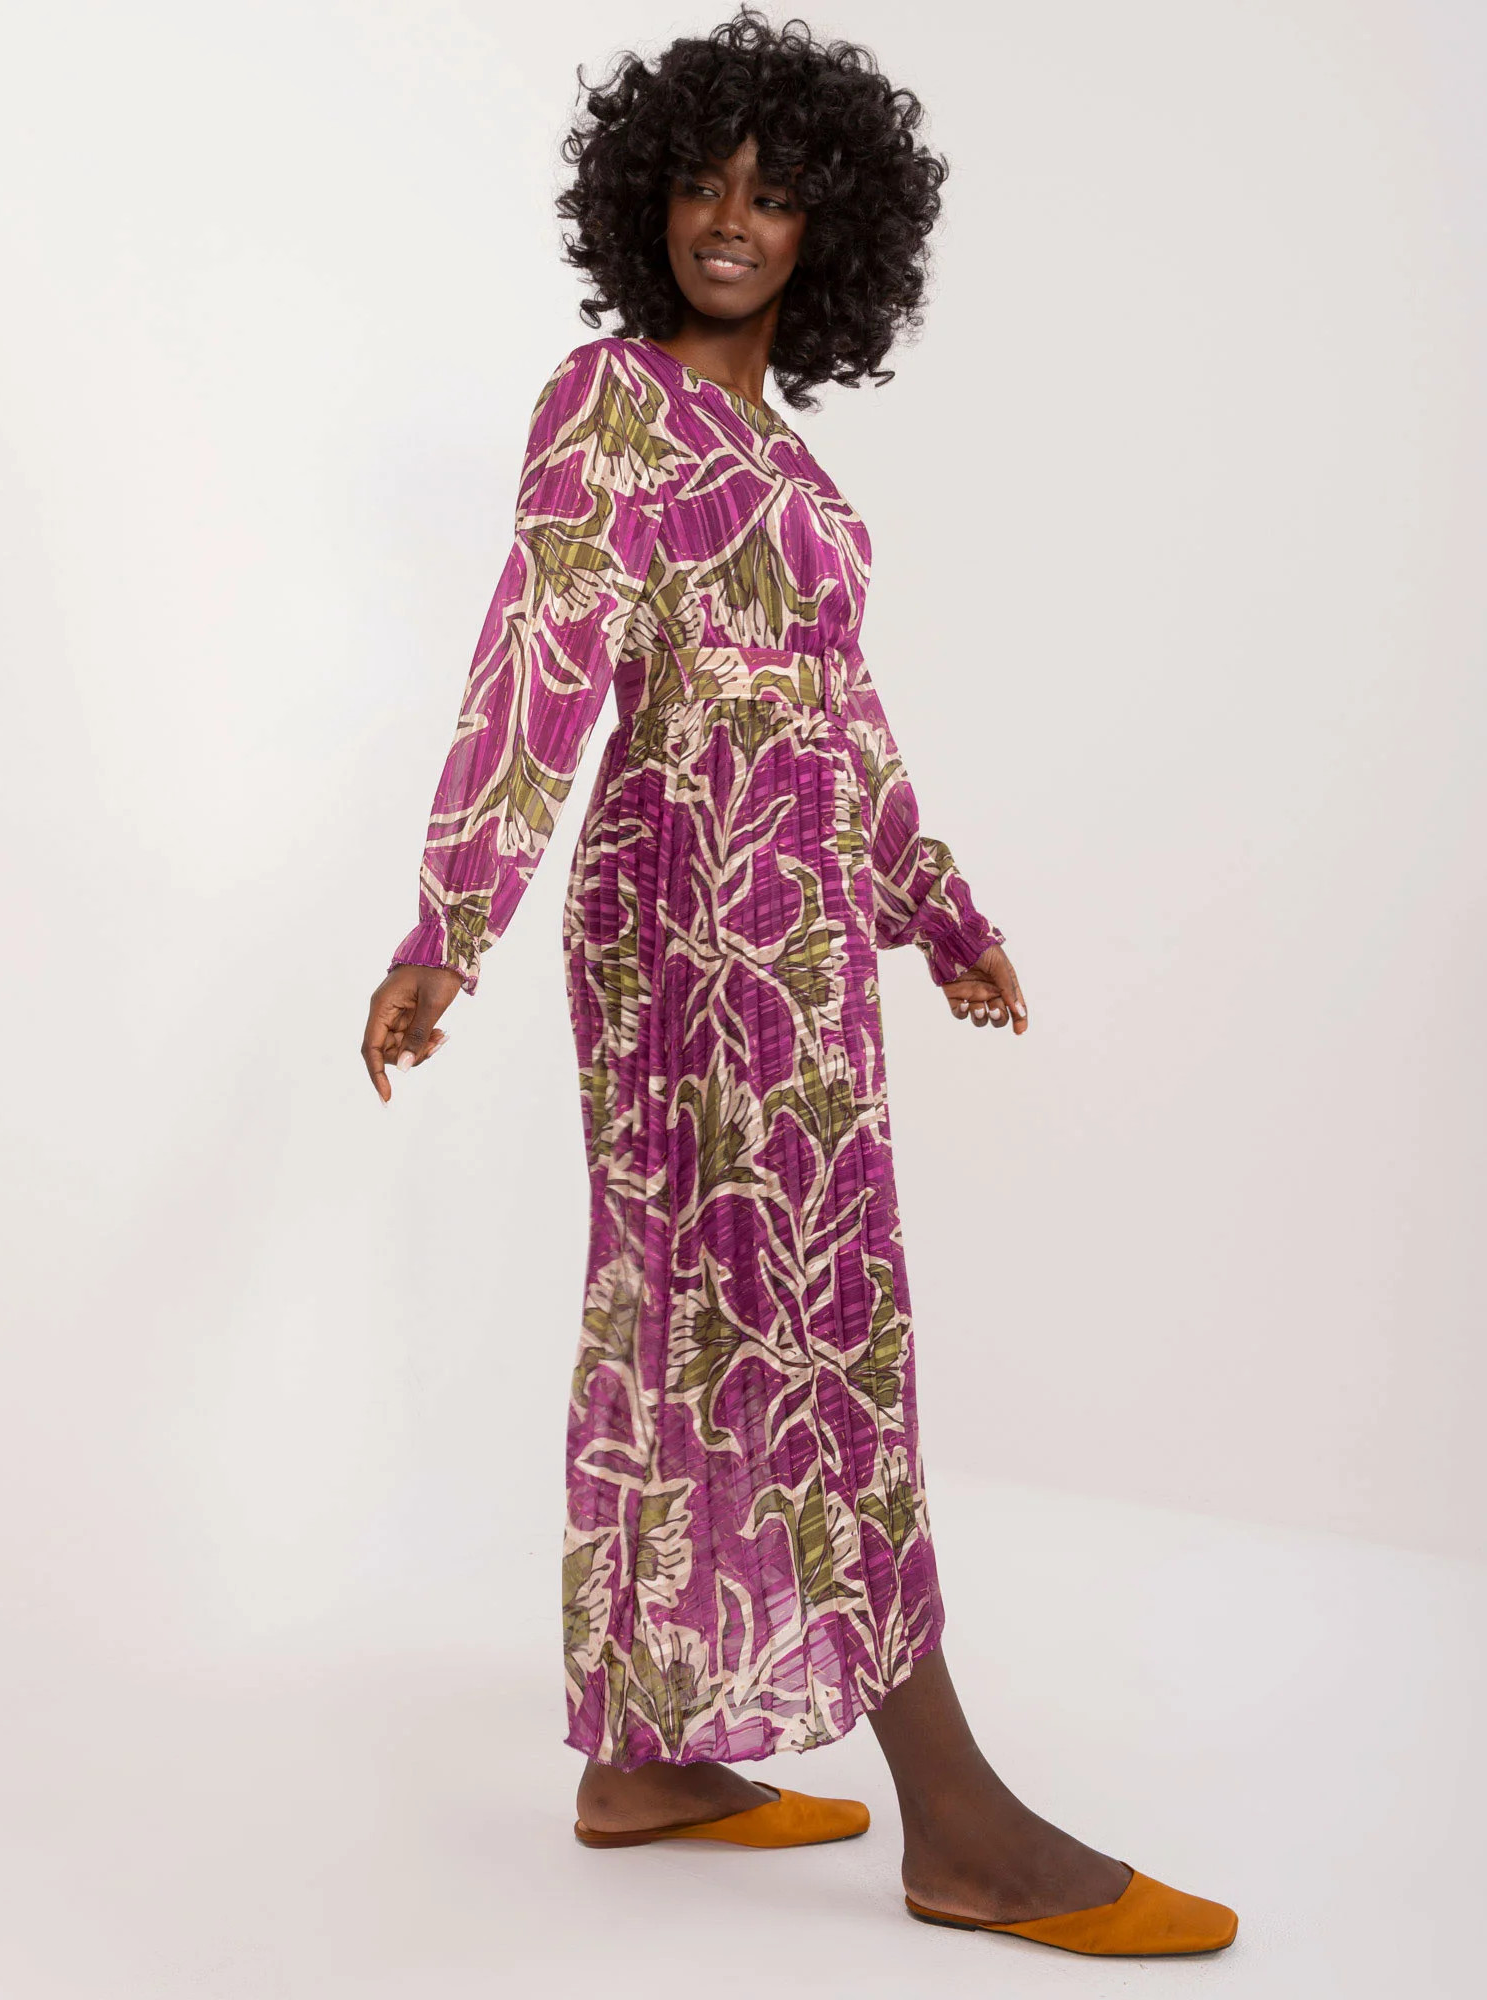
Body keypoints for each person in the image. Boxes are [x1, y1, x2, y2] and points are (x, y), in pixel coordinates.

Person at [361, 8, 1236, 1959]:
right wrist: (450, 922)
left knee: (692, 1315)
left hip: (808, 928)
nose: (729, 220)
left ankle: (643, 1756)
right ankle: (960, 1820)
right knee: (811, 1321)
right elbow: (540, 655)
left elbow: (843, 722)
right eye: (700, 182)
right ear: (646, 201)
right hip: (686, 919)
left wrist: (938, 907)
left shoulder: (795, 474)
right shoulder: (615, 404)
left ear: (832, 232)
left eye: (771, 195)